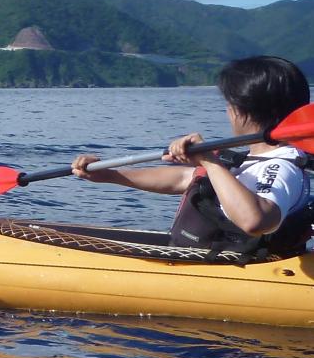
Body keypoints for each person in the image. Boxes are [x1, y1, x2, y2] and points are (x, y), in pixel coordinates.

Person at [71, 55, 313, 258]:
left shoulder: (281, 166)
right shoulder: (250, 162)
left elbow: (256, 221)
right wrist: (112, 175)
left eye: (230, 104)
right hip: (210, 260)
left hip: (243, 273)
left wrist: (209, 160)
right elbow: (183, 179)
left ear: (241, 110)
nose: (227, 111)